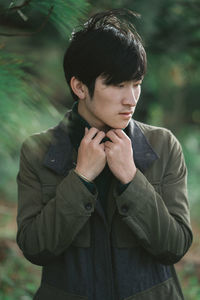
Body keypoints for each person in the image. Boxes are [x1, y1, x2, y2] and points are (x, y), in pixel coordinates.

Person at [16, 8, 192, 300]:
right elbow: (36, 249)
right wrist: (81, 178)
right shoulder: (39, 152)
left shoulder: (164, 146)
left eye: (136, 84)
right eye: (118, 85)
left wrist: (132, 179)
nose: (132, 99)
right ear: (79, 86)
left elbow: (174, 246)